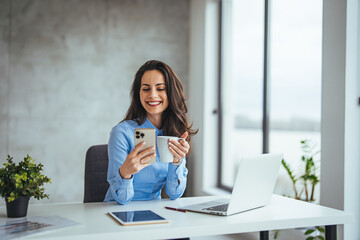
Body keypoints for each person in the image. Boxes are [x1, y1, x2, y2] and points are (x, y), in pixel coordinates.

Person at [104, 60, 198, 205]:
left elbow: (175, 194)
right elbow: (122, 199)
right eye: (146, 89)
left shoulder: (175, 133)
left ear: (171, 92)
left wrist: (177, 161)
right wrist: (126, 173)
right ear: (139, 93)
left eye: (160, 89)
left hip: (154, 211)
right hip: (117, 210)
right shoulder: (122, 133)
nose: (152, 95)